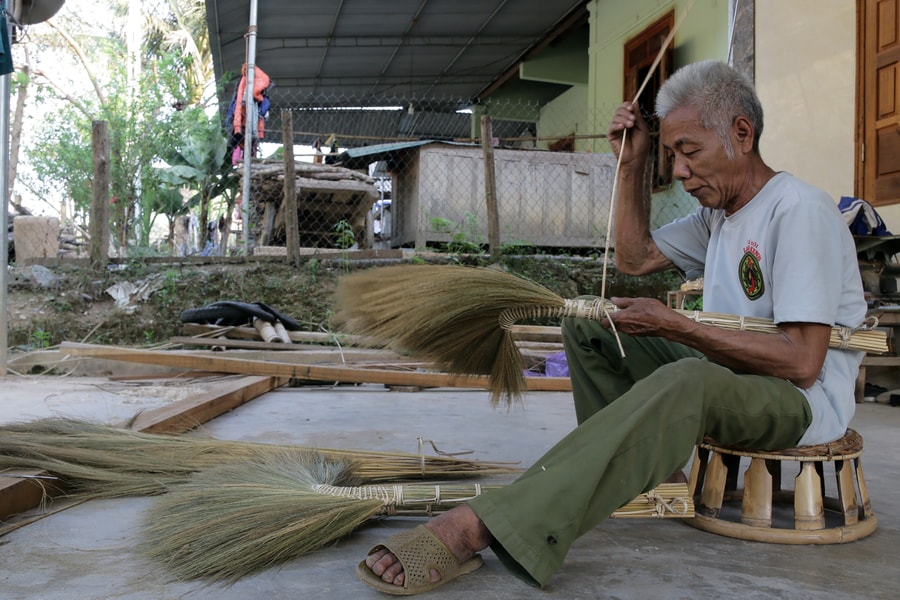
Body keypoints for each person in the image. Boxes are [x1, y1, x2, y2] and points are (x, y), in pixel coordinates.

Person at [356, 60, 867, 595]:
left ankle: (483, 525)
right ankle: (640, 473)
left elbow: (802, 363)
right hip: (732, 373)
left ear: (742, 133)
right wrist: (632, 162)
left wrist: (682, 328)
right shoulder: (721, 213)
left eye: (690, 151)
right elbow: (634, 257)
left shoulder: (798, 211)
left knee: (688, 377)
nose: (683, 171)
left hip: (799, 401)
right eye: (672, 154)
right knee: (595, 328)